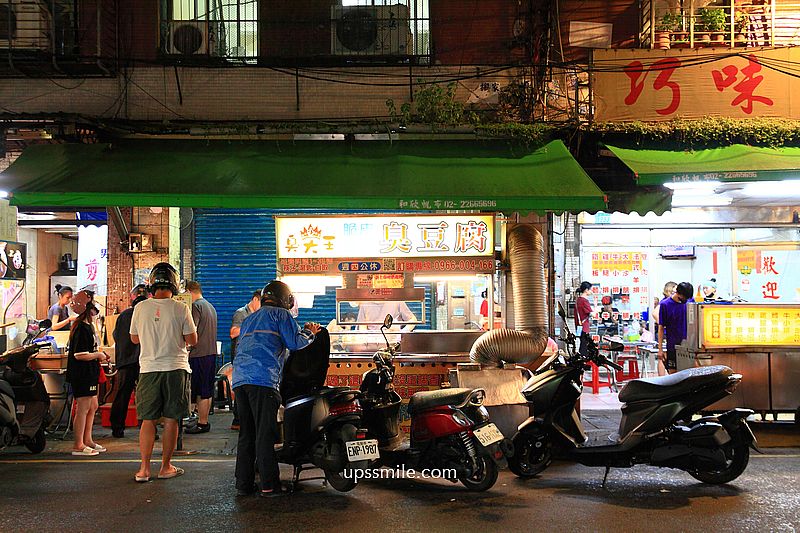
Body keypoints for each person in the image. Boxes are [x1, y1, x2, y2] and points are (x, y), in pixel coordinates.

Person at [232, 280, 320, 497]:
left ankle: (243, 484)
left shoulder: (250, 318)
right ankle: (269, 485)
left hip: (240, 381)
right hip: (263, 381)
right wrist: (311, 332)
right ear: (285, 299)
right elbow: (295, 343)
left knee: (247, 434)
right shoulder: (281, 315)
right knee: (265, 434)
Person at [130, 263, 198, 483]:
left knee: (147, 420)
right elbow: (192, 340)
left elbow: (134, 338)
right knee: (171, 419)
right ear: (174, 284)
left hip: (148, 369)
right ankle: (165, 466)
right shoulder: (180, 308)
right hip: (175, 369)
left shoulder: (140, 308)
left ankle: (143, 470)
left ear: (152, 284)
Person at [66, 290, 108, 456]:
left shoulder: (87, 327)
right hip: (81, 373)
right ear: (86, 309)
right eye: (92, 307)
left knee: (93, 406)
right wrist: (98, 355)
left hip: (89, 372)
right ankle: (78, 445)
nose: (95, 311)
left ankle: (87, 440)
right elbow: (79, 354)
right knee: (83, 407)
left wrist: (99, 354)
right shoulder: (81, 328)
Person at [109, 284, 148, 438]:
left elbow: (115, 335)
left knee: (122, 394)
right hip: (144, 360)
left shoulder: (123, 315)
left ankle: (117, 428)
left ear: (132, 298)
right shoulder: (147, 313)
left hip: (125, 360)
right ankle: (146, 427)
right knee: (145, 395)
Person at [184, 281, 219, 435]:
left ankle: (202, 422)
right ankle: (202, 421)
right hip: (210, 354)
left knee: (198, 390)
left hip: (199, 354)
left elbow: (193, 331)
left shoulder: (196, 306)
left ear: (189, 291)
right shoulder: (210, 307)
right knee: (206, 390)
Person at [228, 290, 262, 431]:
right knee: (240, 387)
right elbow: (233, 332)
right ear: (255, 299)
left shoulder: (256, 315)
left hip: (250, 355)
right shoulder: (241, 313)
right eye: (261, 302)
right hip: (240, 355)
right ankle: (237, 420)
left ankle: (242, 419)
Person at [658, 281, 694, 375]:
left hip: (689, 346)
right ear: (678, 293)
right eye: (684, 297)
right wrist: (660, 349)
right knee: (673, 374)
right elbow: (661, 327)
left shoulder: (691, 302)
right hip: (672, 346)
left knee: (688, 375)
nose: (686, 300)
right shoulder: (665, 305)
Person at [653, 281, 677, 375]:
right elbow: (655, 313)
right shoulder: (666, 302)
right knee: (663, 358)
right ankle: (662, 380)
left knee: (664, 358)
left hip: (669, 335)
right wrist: (663, 323)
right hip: (666, 335)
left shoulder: (669, 302)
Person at [573, 281, 593, 355]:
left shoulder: (578, 300)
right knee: (584, 345)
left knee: (582, 343)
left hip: (579, 325)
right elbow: (592, 314)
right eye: (590, 289)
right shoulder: (584, 301)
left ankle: (581, 359)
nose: (591, 291)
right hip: (584, 326)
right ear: (586, 290)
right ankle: (582, 361)